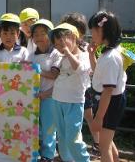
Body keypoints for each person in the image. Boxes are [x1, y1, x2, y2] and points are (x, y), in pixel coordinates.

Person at [88, 11, 127, 162]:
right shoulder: (109, 53)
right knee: (108, 142)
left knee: (104, 147)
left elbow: (108, 90)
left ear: (104, 31)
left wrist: (98, 118)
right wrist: (92, 55)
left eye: (93, 31)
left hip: (110, 103)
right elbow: (100, 74)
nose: (92, 35)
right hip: (110, 101)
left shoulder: (110, 57)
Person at [61, 12, 100, 156]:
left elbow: (90, 64)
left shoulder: (84, 46)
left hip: (83, 87)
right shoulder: (63, 45)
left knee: (89, 116)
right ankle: (72, 149)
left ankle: (97, 143)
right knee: (71, 122)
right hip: (68, 89)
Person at [50, 23, 90, 162]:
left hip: (74, 102)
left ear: (73, 37)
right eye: (56, 44)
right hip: (57, 99)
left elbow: (79, 69)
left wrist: (67, 51)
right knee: (61, 136)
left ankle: (83, 160)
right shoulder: (61, 56)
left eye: (62, 43)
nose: (59, 47)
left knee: (73, 138)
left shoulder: (84, 55)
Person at [28, 19, 61, 162]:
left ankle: (48, 155)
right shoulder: (31, 55)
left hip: (50, 95)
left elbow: (54, 75)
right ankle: (35, 152)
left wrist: (36, 70)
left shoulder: (56, 54)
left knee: (48, 126)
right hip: (34, 96)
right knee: (34, 125)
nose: (39, 37)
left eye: (43, 33)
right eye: (36, 34)